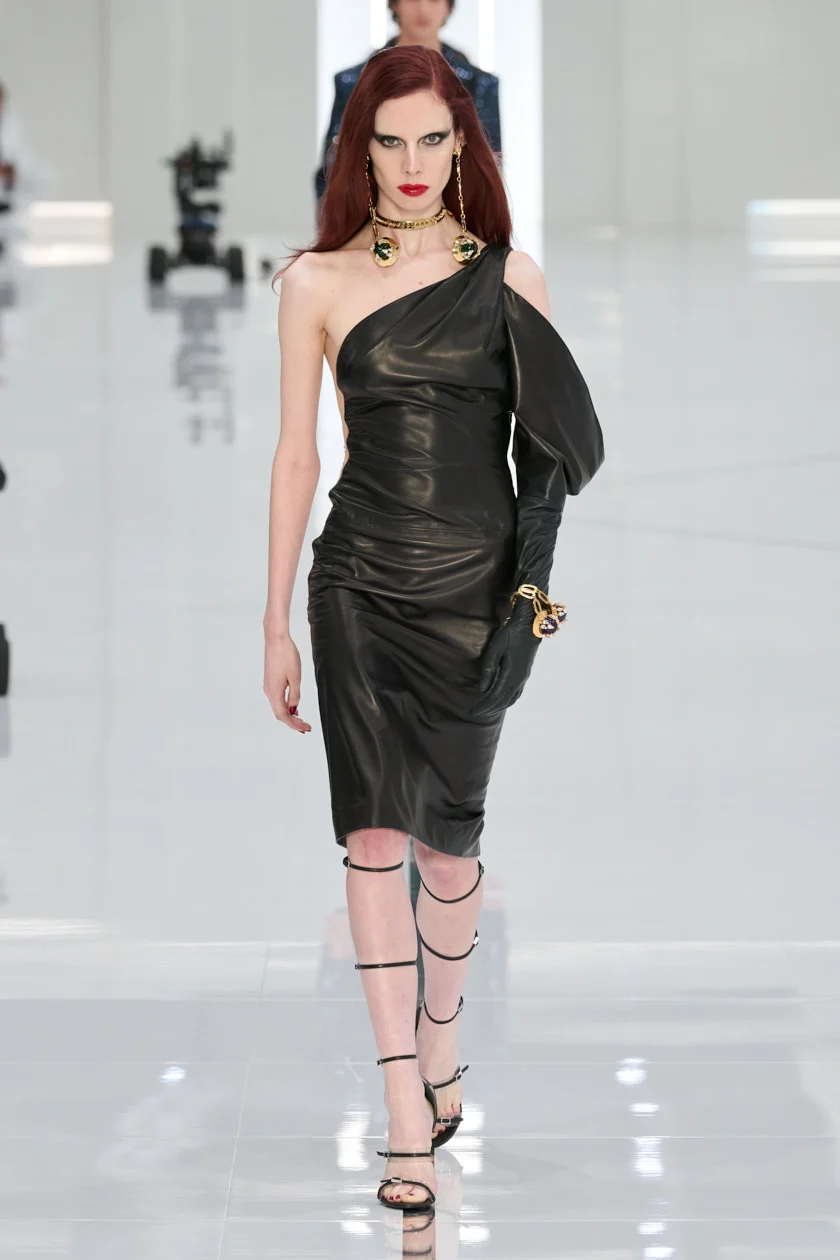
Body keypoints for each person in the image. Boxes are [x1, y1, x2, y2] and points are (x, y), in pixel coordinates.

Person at [264, 46, 604, 1215]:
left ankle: (442, 1037)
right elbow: (297, 457)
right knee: (372, 836)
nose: (411, 163)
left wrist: (528, 603)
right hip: (356, 581)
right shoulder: (314, 281)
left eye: (432, 140)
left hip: (473, 587)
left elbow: (546, 463)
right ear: (360, 152)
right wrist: (275, 621)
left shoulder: (509, 278)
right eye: (390, 142)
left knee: (450, 851)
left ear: (463, 149)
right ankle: (402, 1102)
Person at [315, 0, 501, 203]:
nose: (423, 9)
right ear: (394, 4)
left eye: (434, 0)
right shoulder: (352, 82)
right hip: (371, 212)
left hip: (456, 211)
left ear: (448, 6)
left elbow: (489, 172)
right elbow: (333, 171)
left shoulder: (480, 84)